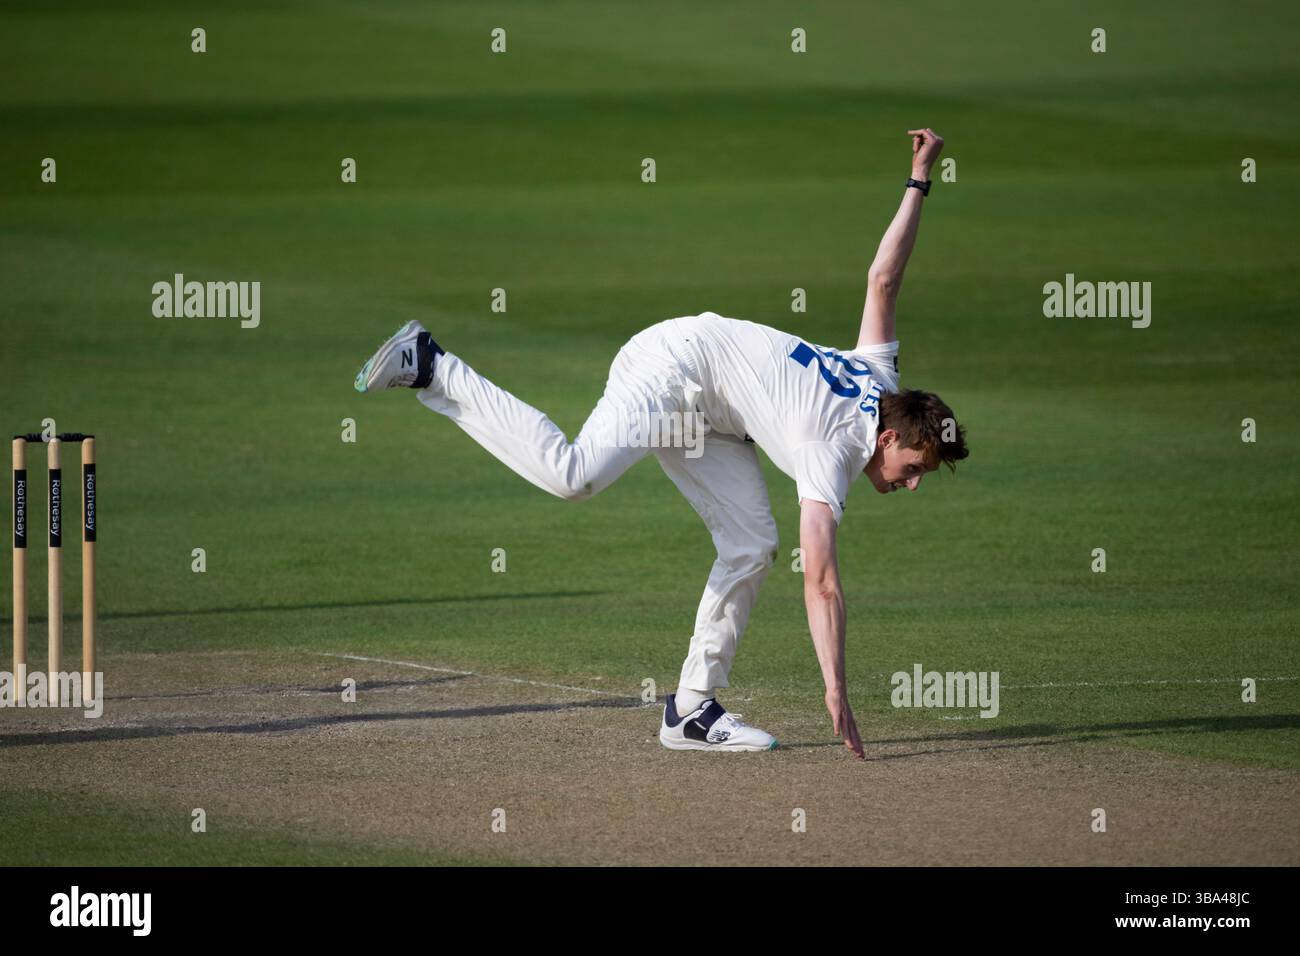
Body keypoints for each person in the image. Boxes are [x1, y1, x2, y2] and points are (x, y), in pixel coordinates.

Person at [354, 128, 967, 759]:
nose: (911, 480)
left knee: (752, 544)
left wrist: (919, 176)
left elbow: (884, 280)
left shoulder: (881, 380)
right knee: (574, 476)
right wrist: (836, 688)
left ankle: (691, 710)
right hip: (673, 370)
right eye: (913, 465)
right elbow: (822, 582)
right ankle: (431, 365)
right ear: (888, 436)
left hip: (711, 416)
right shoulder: (831, 448)